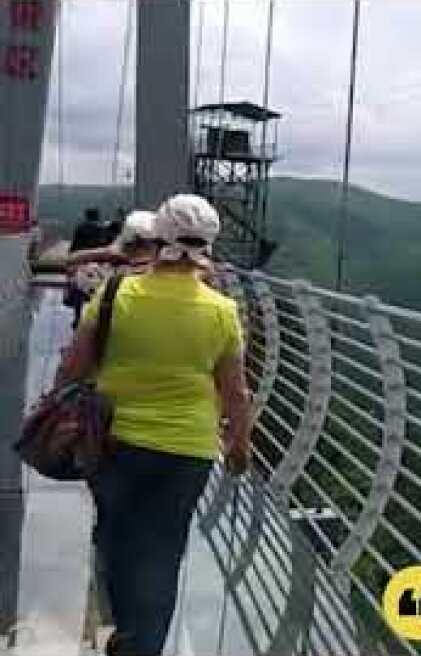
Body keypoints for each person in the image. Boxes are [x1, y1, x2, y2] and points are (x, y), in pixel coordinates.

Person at [55, 194, 252, 656]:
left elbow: (74, 367)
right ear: (208, 244)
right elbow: (235, 392)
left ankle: (119, 626)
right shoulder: (221, 310)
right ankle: (144, 646)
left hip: (114, 440)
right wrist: (239, 443)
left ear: (158, 236)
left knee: (112, 534)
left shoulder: (116, 293)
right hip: (188, 450)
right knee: (163, 552)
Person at [63, 208, 116, 328]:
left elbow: (74, 246)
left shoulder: (81, 228)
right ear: (97, 217)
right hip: (99, 265)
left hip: (82, 263)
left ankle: (77, 317)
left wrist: (71, 261)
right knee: (99, 292)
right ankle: (97, 318)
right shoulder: (103, 229)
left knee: (78, 291)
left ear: (86, 216)